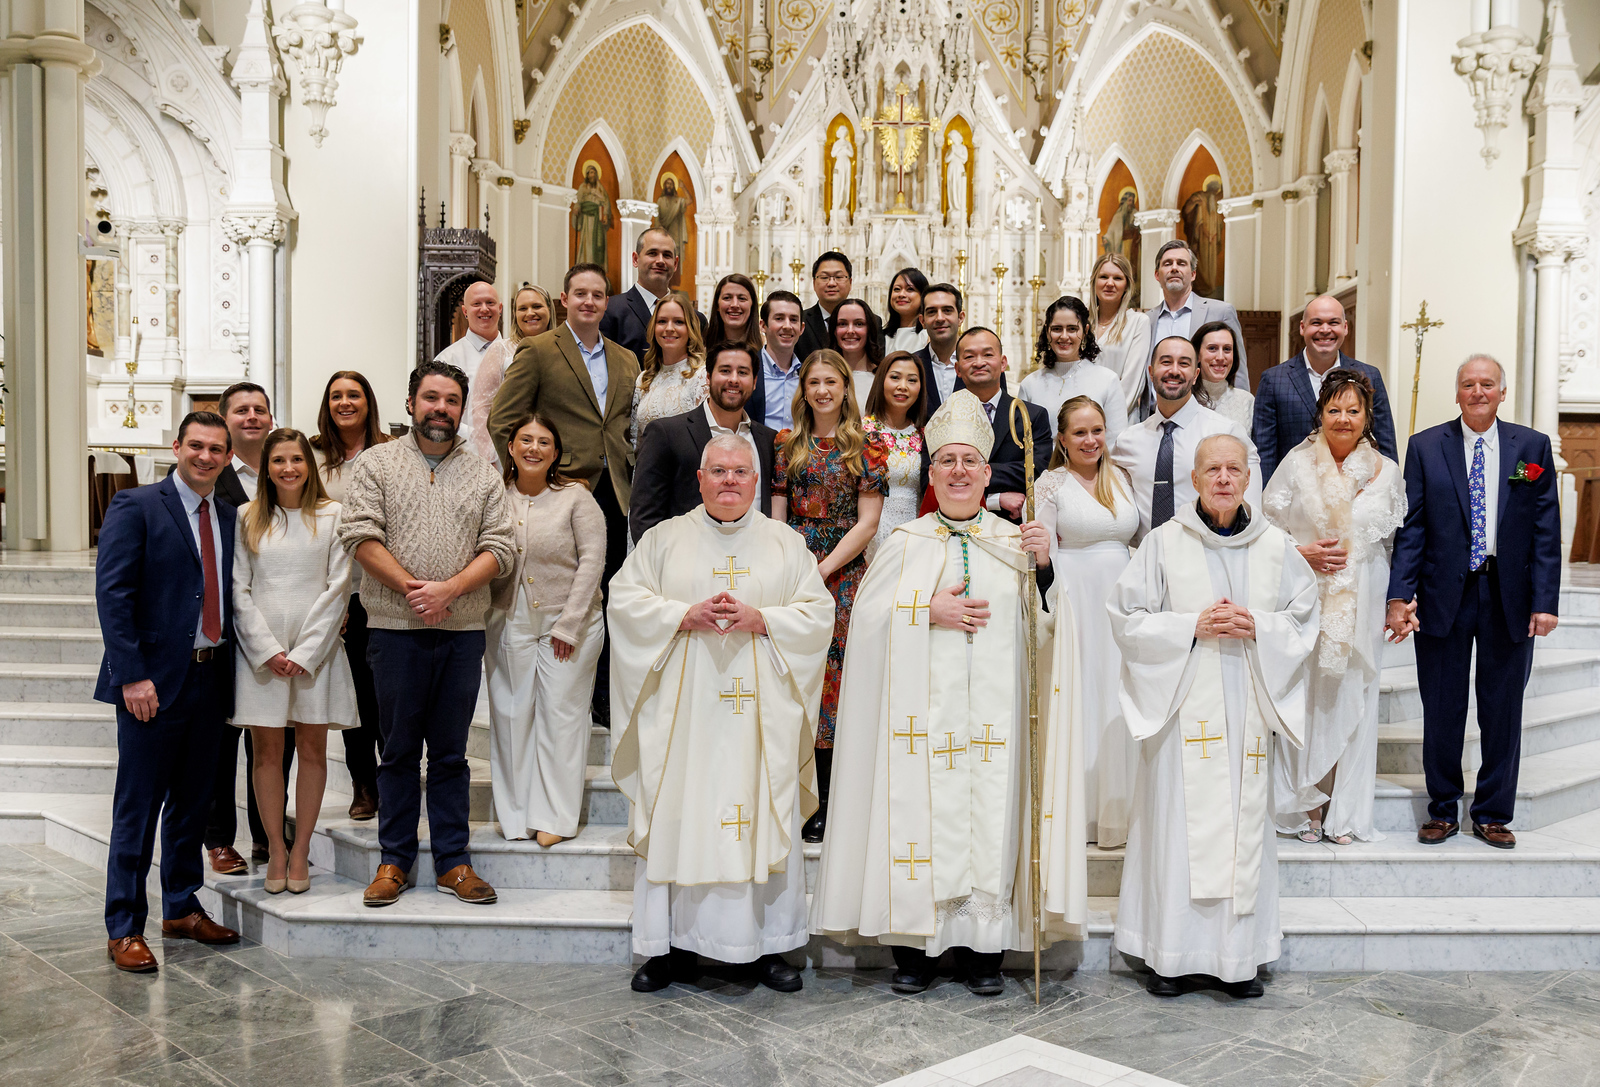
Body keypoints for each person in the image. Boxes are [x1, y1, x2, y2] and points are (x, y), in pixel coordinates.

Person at [810, 390, 1085, 996]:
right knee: (921, 821)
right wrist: (923, 609)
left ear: (988, 474)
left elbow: (1049, 632)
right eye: (948, 462)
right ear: (931, 472)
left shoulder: (1017, 543)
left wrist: (1044, 570)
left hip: (995, 722)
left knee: (989, 817)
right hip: (921, 726)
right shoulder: (905, 542)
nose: (959, 471)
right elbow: (866, 623)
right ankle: (916, 951)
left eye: (970, 462)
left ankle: (983, 953)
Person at [611, 435, 834, 993]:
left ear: (756, 481)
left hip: (762, 722)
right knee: (680, 811)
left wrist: (765, 619)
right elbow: (624, 598)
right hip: (684, 719)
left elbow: (817, 612)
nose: (729, 480)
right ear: (701, 479)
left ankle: (768, 947)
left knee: (761, 813)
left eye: (740, 471)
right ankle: (670, 948)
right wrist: (682, 614)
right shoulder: (664, 539)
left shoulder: (785, 543)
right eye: (719, 471)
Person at [1109, 434, 1320, 998]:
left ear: (1248, 478)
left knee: (1242, 828)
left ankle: (1238, 960)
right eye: (1212, 470)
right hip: (1183, 709)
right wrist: (1188, 627)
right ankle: (1170, 958)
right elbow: (1127, 618)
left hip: (1248, 704)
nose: (1223, 479)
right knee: (1178, 828)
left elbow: (1304, 620)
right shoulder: (1162, 543)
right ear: (1195, 479)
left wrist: (1261, 626)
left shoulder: (1277, 546)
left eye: (1233, 469)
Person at [341, 361, 515, 908]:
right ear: (412, 401)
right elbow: (359, 535)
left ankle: (453, 862)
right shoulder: (376, 464)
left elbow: (502, 547)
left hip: (461, 631)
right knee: (395, 752)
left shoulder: (484, 473)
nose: (440, 409)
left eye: (451, 401)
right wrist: (416, 590)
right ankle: (393, 859)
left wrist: (451, 591)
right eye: (431, 398)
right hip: (394, 629)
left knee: (450, 754)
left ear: (463, 409)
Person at [1386, 355, 1561, 850]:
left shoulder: (1531, 448)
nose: (1478, 391)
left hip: (1510, 594)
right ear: (1457, 392)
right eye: (1468, 384)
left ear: (1502, 392)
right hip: (1445, 593)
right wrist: (1400, 594)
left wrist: (1544, 600)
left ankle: (1492, 812)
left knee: (1502, 707)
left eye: (1487, 384)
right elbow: (1412, 527)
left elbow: (1546, 529)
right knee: (1442, 706)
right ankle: (1442, 809)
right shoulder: (1425, 447)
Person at [97, 411, 242, 973]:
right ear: (177, 447)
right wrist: (131, 674)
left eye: (216, 449)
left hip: (211, 677)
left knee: (192, 804)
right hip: (152, 683)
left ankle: (181, 905)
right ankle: (123, 925)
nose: (206, 457)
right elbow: (113, 594)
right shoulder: (138, 506)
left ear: (228, 456)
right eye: (197, 446)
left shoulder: (228, 516)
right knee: (138, 808)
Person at [489, 263, 640, 728]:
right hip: (559, 493)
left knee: (610, 592)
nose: (589, 302)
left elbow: (618, 428)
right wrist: (536, 477)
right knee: (565, 593)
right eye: (581, 294)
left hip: (613, 491)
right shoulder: (537, 351)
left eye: (598, 295)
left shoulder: (625, 359)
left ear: (607, 302)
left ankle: (604, 695)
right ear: (565, 299)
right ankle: (555, 685)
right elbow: (503, 420)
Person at [1264, 371, 1406, 845]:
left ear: (1367, 417)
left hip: (1362, 594)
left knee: (1353, 695)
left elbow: (1393, 541)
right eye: (1334, 409)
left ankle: (1344, 811)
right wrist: (1302, 553)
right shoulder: (1296, 464)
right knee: (1308, 695)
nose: (1343, 419)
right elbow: (1266, 532)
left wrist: (1397, 601)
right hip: (1307, 593)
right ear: (1320, 413)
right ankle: (1306, 804)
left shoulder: (1386, 470)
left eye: (1353, 410)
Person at [232, 427, 356, 894]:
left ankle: (301, 847)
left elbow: (338, 586)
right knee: (266, 753)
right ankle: (275, 849)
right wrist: (268, 651)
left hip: (315, 653)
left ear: (310, 465)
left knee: (312, 750)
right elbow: (238, 590)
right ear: (266, 467)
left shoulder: (332, 515)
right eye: (278, 460)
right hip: (262, 653)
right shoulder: (248, 517)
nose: (288, 468)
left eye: (297, 459)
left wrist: (305, 652)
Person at [773, 349, 888, 842]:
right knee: (796, 675)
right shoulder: (785, 443)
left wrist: (822, 567)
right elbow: (777, 514)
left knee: (835, 682)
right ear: (804, 389)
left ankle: (828, 799)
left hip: (842, 572)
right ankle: (790, 792)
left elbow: (869, 522)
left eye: (831, 382)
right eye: (813, 382)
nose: (822, 390)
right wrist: (790, 564)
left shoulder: (868, 446)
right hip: (793, 568)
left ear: (846, 389)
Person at [487, 413, 605, 846]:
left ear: (555, 453)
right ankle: (516, 815)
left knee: (561, 717)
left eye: (543, 442)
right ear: (512, 447)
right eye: (525, 440)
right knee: (512, 713)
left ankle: (554, 817)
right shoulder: (495, 496)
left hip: (569, 621)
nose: (533, 448)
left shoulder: (575, 497)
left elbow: (593, 560)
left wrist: (570, 624)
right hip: (508, 617)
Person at [1036, 396, 1139, 847]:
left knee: (1118, 698)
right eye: (1079, 432)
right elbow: (1043, 551)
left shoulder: (1122, 478)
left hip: (1122, 601)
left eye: (1097, 430)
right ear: (1061, 438)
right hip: (1075, 597)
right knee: (1082, 697)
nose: (1090, 440)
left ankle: (1120, 809)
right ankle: (1077, 813)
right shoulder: (1050, 483)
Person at [202, 380, 289, 874]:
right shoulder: (211, 474)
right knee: (224, 741)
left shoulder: (285, 473)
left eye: (260, 409)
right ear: (226, 420)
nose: (252, 416)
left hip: (277, 626)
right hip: (226, 627)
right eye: (241, 410)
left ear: (271, 419)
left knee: (277, 735)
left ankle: (268, 832)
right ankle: (219, 837)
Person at [311, 370, 391, 820]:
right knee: (354, 694)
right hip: (331, 594)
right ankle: (364, 784)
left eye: (354, 394)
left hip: (379, 590)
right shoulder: (313, 453)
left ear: (368, 401)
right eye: (337, 395)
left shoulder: (390, 450)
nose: (345, 402)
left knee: (384, 694)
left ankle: (392, 777)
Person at [1110, 335, 1260, 543]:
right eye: (1166, 362)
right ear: (1151, 372)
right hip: (1146, 561)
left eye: (1184, 363)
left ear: (1196, 374)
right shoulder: (1127, 442)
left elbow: (1252, 514)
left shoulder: (1227, 433)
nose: (1174, 370)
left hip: (1209, 558)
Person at [630, 342, 778, 542]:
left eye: (743, 372)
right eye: (725, 371)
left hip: (753, 562)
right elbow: (644, 516)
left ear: (754, 382)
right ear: (708, 377)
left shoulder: (768, 440)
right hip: (688, 564)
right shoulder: (666, 434)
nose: (733, 379)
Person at [1252, 295, 1398, 486]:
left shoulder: (1369, 375)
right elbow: (1265, 453)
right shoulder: (1274, 380)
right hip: (1295, 495)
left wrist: (1388, 490)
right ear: (1302, 327)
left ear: (1345, 327)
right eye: (1316, 323)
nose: (1325, 330)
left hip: (1357, 492)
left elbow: (1385, 443)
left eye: (1333, 323)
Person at [951, 327, 1051, 522]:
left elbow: (1035, 472)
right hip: (958, 525)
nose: (979, 362)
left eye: (988, 354)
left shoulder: (1031, 416)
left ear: (1003, 363)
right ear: (958, 369)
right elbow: (931, 481)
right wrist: (995, 499)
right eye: (969, 357)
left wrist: (966, 471)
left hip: (1015, 528)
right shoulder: (944, 417)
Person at [1018, 295, 1126, 445]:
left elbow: (1115, 443)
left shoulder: (1108, 381)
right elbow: (1023, 444)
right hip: (1043, 468)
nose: (1064, 336)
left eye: (1072, 329)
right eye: (1057, 329)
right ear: (1047, 331)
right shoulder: (1030, 385)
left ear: (1085, 330)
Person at [469, 285, 555, 464]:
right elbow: (482, 407)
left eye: (537, 306)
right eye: (522, 308)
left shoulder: (564, 351)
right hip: (509, 452)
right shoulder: (501, 350)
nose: (530, 313)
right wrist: (492, 456)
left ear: (550, 309)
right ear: (515, 315)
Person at [1144, 241, 1245, 387]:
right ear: (1157, 275)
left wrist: (1241, 406)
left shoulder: (1221, 312)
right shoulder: (1147, 320)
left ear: (1193, 274)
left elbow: (1238, 369)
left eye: (1181, 263)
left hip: (1208, 407)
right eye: (1167, 263)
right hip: (1155, 409)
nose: (1174, 268)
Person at [599, 227, 706, 361]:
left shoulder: (696, 319)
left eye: (667, 255)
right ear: (635, 259)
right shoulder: (610, 311)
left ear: (675, 263)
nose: (660, 261)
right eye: (652, 253)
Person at [863, 350, 931, 561]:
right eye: (895, 377)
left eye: (912, 380)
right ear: (881, 381)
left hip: (916, 533)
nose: (903, 386)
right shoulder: (862, 431)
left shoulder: (926, 435)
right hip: (871, 533)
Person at [434, 280, 513, 447]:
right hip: (465, 449)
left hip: (512, 449)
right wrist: (479, 438)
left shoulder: (516, 353)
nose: (484, 309)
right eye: (477, 304)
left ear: (500, 308)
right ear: (465, 311)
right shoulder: (447, 360)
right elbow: (440, 410)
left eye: (490, 303)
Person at [631, 290, 709, 444]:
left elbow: (706, 436)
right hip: (646, 464)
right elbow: (635, 438)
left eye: (678, 322)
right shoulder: (644, 379)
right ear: (654, 329)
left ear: (690, 328)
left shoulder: (702, 376)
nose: (669, 328)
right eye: (662, 321)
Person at [1089, 253, 1150, 421]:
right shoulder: (1081, 322)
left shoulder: (1138, 322)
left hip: (1119, 420)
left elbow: (1131, 384)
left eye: (1117, 278)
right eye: (1103, 277)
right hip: (1079, 421)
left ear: (1127, 285)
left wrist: (1099, 421)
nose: (1110, 283)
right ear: (1094, 282)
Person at [795, 251, 859, 361]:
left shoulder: (870, 322)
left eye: (839, 277)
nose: (831, 283)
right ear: (814, 283)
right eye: (824, 277)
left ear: (850, 282)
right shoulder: (798, 322)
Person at [1193, 321, 1255, 431]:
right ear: (1197, 355)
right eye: (1212, 348)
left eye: (1227, 349)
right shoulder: (1185, 399)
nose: (1220, 357)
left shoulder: (1247, 401)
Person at [757, 289, 804, 431]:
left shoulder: (808, 373)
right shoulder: (749, 368)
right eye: (779, 318)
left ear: (801, 328)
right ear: (763, 325)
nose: (787, 326)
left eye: (793, 320)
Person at [915, 283, 965, 415]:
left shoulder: (980, 365)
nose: (940, 318)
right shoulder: (912, 365)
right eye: (931, 312)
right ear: (922, 321)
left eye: (947, 310)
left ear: (960, 318)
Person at [829, 297, 885, 408]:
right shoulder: (823, 374)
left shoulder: (883, 377)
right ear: (834, 331)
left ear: (869, 330)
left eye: (859, 324)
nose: (850, 331)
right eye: (842, 324)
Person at [707, 272, 764, 363]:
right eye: (727, 298)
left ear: (752, 305)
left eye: (742, 298)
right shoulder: (702, 346)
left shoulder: (766, 348)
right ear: (717, 305)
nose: (734, 305)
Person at [884, 267, 930, 354]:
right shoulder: (882, 337)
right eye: (897, 289)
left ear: (923, 296)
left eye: (910, 289)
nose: (901, 294)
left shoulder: (927, 336)